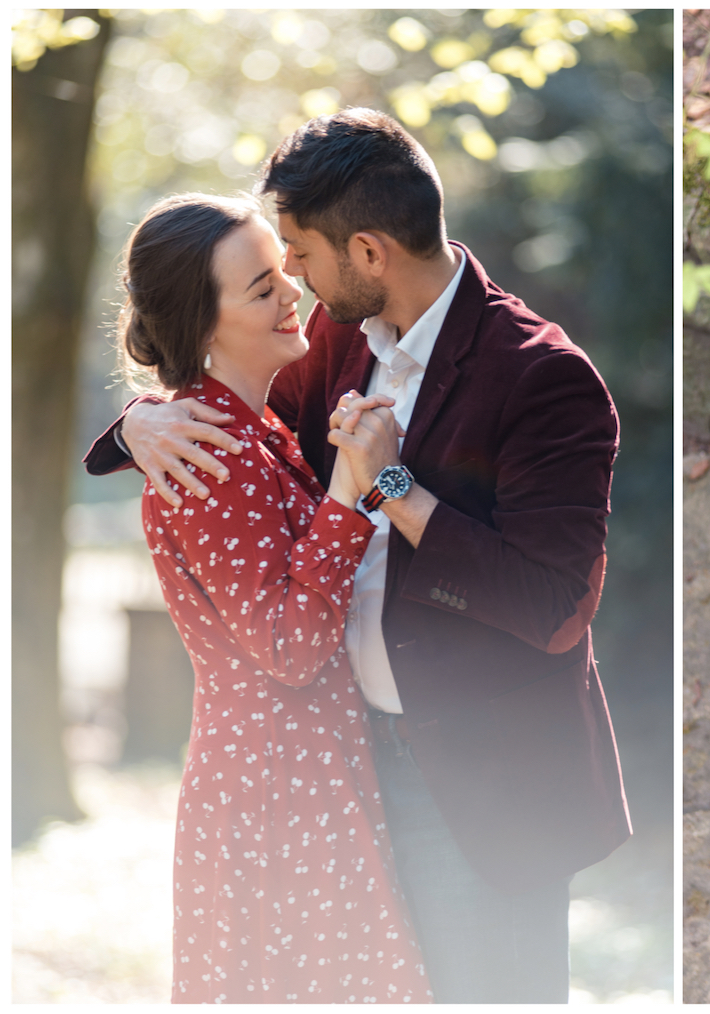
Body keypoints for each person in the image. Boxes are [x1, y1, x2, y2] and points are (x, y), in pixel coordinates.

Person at [85, 109, 630, 1002]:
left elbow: (555, 606)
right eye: (275, 268)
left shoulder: (543, 377)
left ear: (368, 252)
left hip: (482, 785)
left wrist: (394, 491)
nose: (290, 274)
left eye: (297, 251)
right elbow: (224, 393)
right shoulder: (338, 339)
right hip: (339, 769)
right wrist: (141, 421)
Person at [113, 192, 432, 1002]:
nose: (291, 288)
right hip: (277, 790)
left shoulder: (254, 428)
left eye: (282, 266)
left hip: (307, 768)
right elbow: (289, 648)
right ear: (202, 323)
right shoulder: (209, 455)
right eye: (260, 288)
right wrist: (348, 495)